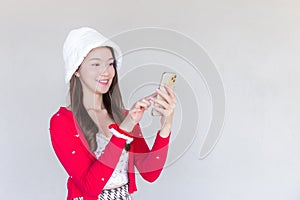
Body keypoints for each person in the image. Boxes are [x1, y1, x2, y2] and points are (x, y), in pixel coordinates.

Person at [49, 27, 176, 200]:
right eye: (95, 64)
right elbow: (91, 186)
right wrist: (124, 130)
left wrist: (166, 125)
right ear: (76, 70)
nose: (106, 72)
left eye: (110, 64)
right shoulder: (62, 122)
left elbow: (149, 173)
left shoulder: (125, 116)